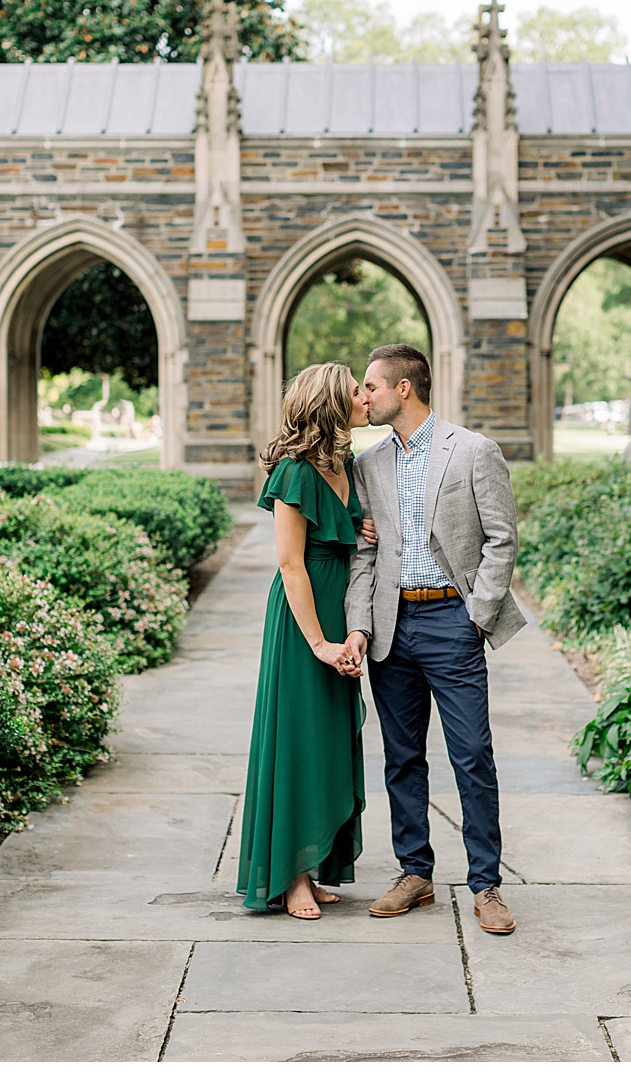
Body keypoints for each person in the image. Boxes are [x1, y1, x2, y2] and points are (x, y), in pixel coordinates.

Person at [342, 343, 527, 935]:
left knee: (472, 754)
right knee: (402, 757)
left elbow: (502, 537)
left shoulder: (473, 450)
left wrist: (479, 610)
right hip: (393, 627)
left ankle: (487, 884)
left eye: (370, 386)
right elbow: (365, 554)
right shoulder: (368, 464)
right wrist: (360, 623)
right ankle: (414, 872)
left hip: (453, 621)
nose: (362, 396)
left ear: (404, 389)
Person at [236, 362, 373, 920]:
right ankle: (290, 877)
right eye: (357, 393)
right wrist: (318, 642)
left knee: (330, 741)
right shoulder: (294, 471)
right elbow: (291, 564)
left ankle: (314, 866)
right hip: (302, 622)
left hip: (341, 611)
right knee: (297, 739)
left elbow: (350, 530)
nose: (367, 398)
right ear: (333, 404)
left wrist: (362, 527)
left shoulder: (350, 465)